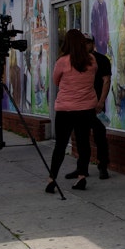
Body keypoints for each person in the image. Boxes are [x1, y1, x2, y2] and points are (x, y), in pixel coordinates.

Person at [46, 29, 97, 193]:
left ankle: (51, 179)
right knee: (83, 144)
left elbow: (55, 80)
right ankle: (82, 176)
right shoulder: (91, 61)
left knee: (60, 145)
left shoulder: (62, 61)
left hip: (65, 109)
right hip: (86, 108)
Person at [65, 33, 111, 180]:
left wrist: (101, 101)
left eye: (88, 42)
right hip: (80, 106)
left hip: (96, 106)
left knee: (100, 136)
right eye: (83, 43)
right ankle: (81, 169)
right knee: (81, 138)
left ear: (93, 43)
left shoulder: (102, 60)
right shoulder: (77, 61)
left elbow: (106, 81)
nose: (86, 45)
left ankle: (103, 166)